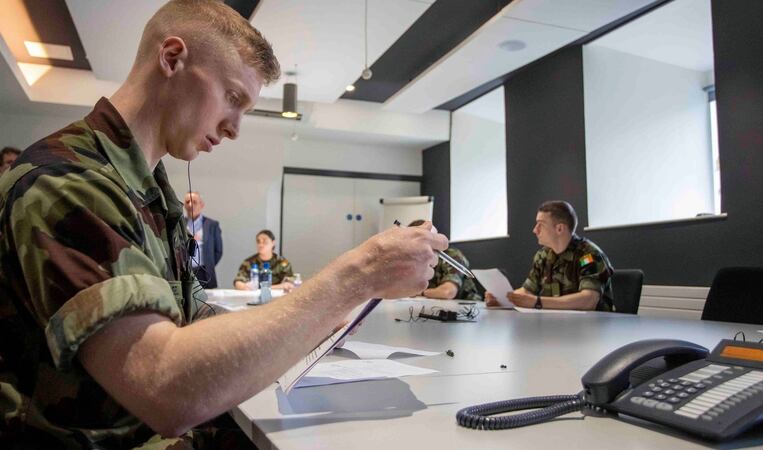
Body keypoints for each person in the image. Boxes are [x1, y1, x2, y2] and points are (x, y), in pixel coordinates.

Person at [0, 1, 448, 448]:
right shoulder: (68, 183)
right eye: (233, 97)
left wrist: (306, 320)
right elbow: (165, 389)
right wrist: (358, 274)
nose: (234, 128)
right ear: (172, 59)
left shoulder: (146, 189)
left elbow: (191, 318)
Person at [486, 200, 614, 311]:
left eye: (540, 224)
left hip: (593, 329)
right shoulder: (543, 256)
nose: (535, 230)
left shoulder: (588, 255)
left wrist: (538, 302)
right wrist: (502, 299)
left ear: (559, 229)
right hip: (557, 326)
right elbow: (527, 291)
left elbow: (588, 300)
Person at [408, 219, 480, 301]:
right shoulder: (414, 260)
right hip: (432, 304)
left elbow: (447, 292)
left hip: (469, 308)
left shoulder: (452, 255)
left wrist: (420, 292)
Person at [184, 191, 223, 288]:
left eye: (194, 202)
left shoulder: (211, 225)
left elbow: (218, 251)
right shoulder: (180, 224)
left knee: (207, 301)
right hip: (184, 273)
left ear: (201, 205)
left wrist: (208, 264)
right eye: (187, 202)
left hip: (204, 272)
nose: (190, 205)